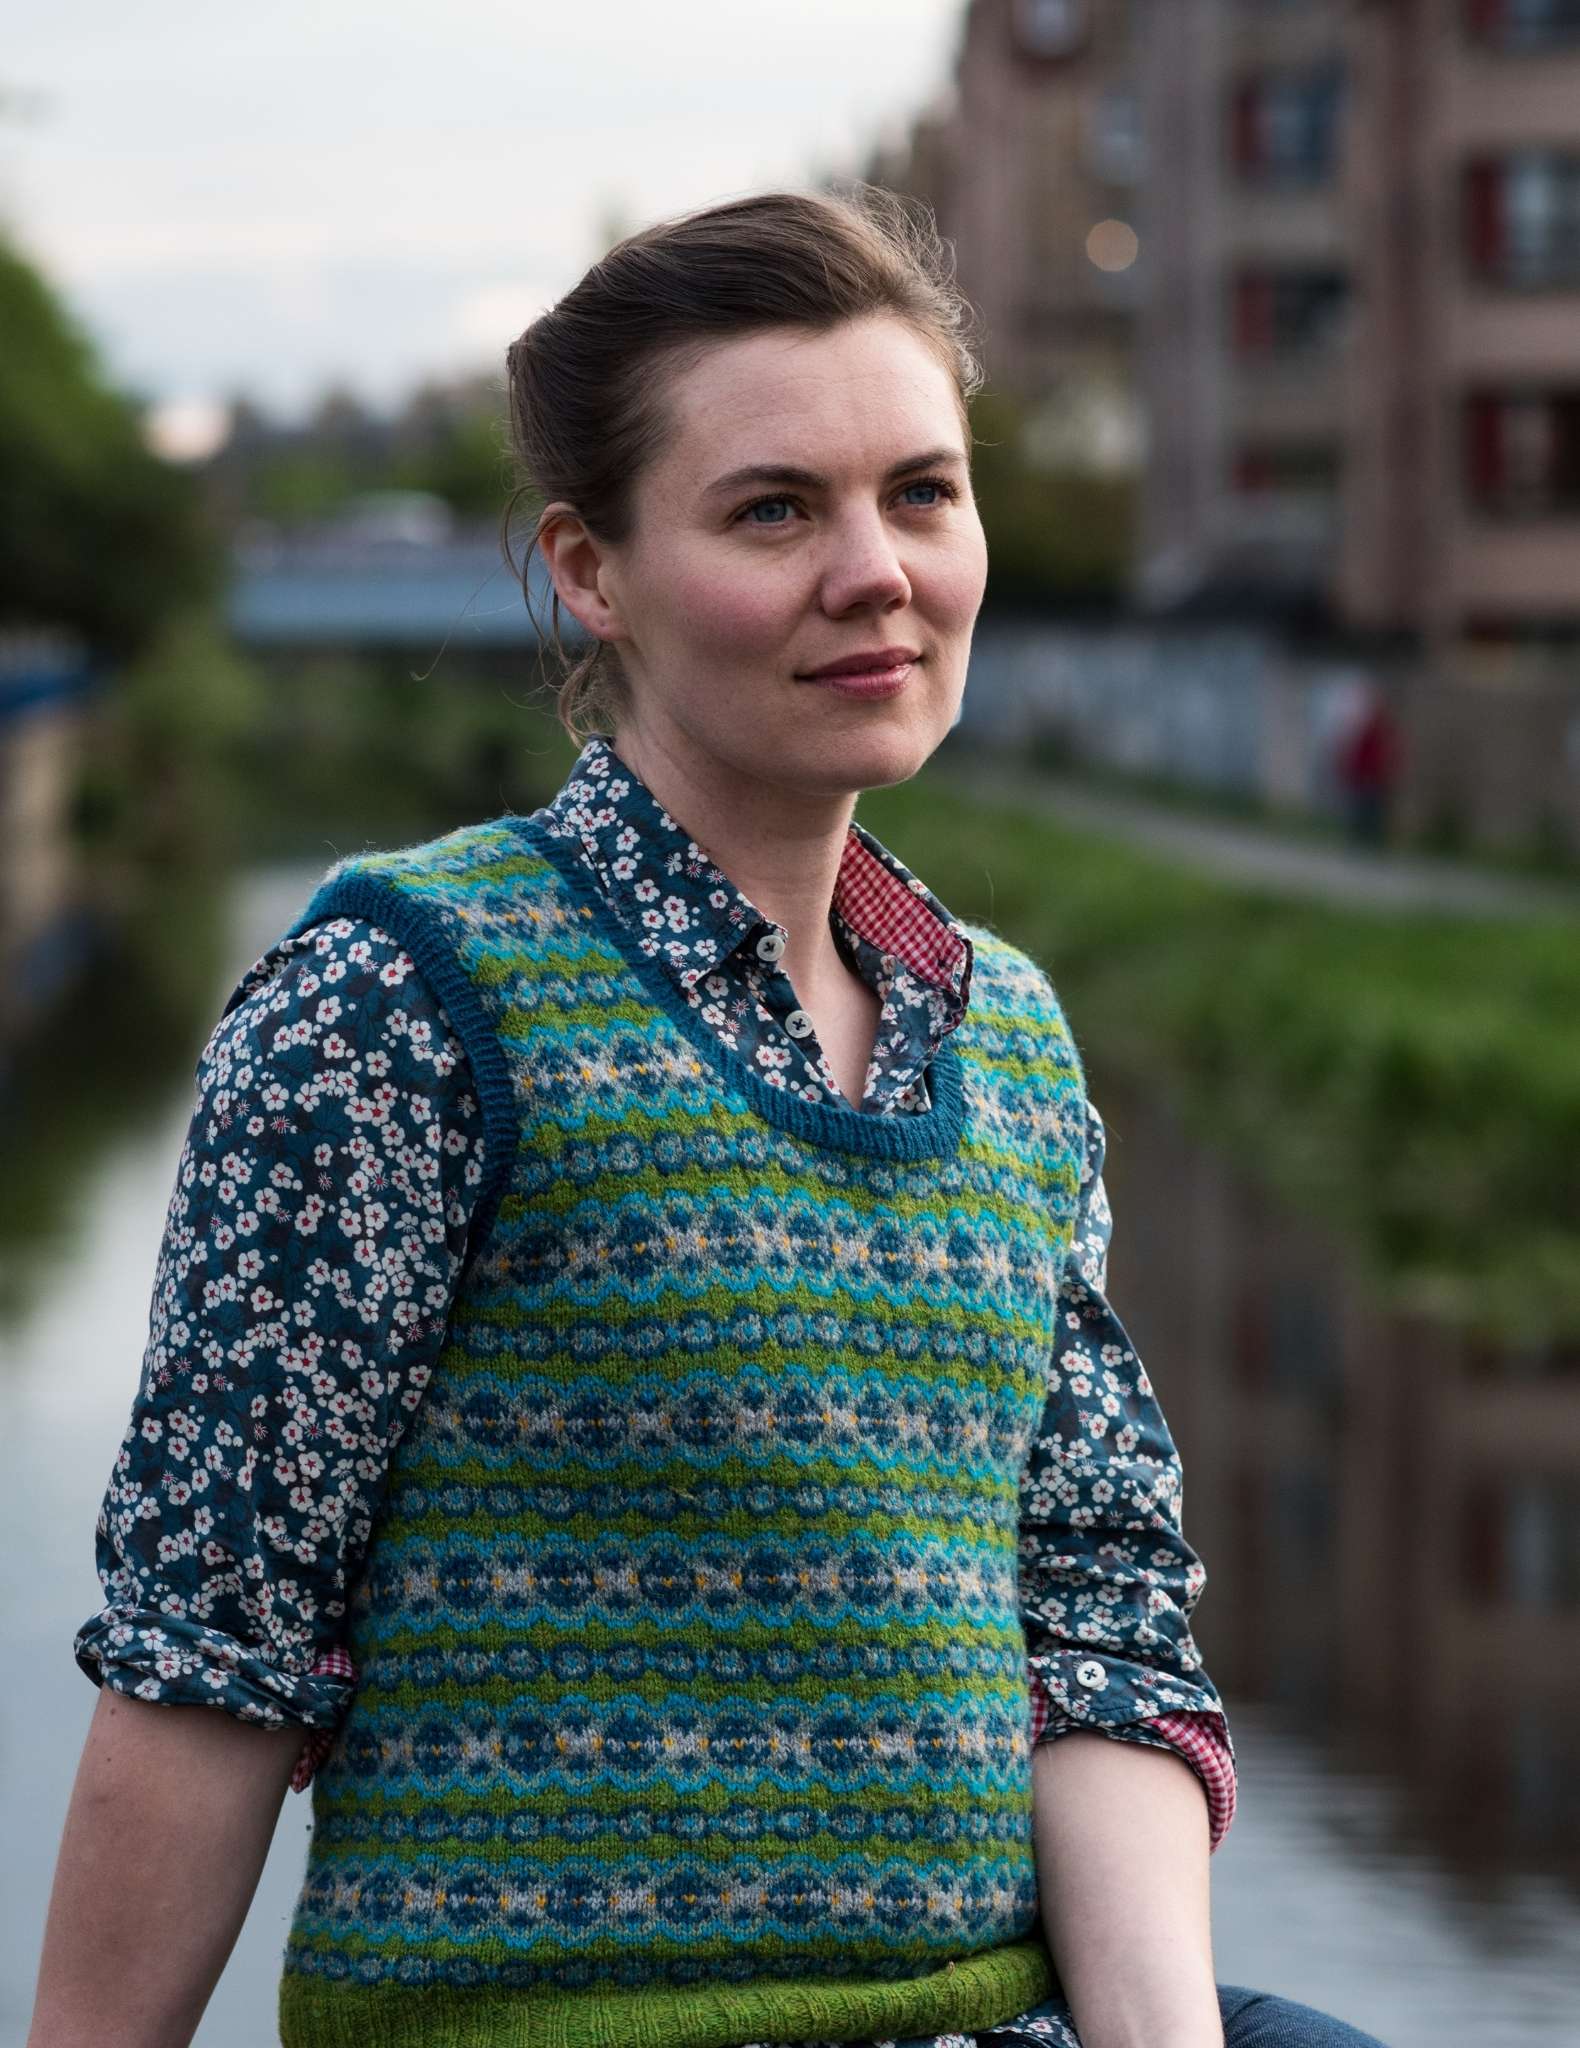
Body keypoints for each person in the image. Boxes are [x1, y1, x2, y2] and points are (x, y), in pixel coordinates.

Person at [28, 190, 1385, 2048]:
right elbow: (214, 1660)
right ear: (592, 570)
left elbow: (1100, 1630)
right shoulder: (401, 997)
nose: (878, 570)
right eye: (775, 509)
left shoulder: (1008, 1040)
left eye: (922, 491)